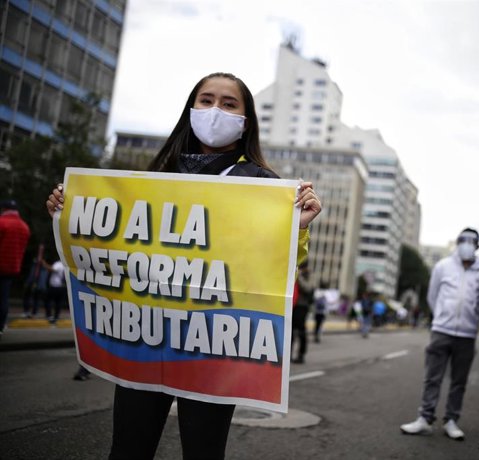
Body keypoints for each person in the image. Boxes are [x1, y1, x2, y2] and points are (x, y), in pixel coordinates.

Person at [46, 72, 321, 460]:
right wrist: (67, 211)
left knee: (203, 452)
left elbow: (273, 270)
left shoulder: (263, 185)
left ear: (245, 122)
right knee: (127, 448)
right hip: (147, 336)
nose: (214, 111)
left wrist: (298, 228)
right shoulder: (154, 179)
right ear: (191, 109)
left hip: (212, 345)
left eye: (228, 104)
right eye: (206, 100)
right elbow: (109, 250)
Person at [401, 228, 479, 440]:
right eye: (463, 240)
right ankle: (425, 418)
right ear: (457, 243)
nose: (467, 244)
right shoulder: (443, 266)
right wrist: (441, 316)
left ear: (478, 246)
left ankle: (451, 420)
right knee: (433, 377)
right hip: (442, 330)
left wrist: (474, 319)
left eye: (472, 241)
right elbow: (433, 296)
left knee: (459, 381)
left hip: (467, 334)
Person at [0, 199, 31, 334]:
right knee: (3, 298)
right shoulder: (24, 227)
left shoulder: (2, 223)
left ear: (4, 209)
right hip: (12, 268)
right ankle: (0, 327)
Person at [292, 263, 313, 364]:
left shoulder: (308, 276)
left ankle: (301, 355)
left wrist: (298, 276)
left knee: (301, 332)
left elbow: (307, 288)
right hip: (293, 306)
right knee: (290, 332)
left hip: (302, 307)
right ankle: (289, 354)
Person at [22, 244, 49, 319]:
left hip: (39, 285)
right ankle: (26, 311)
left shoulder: (44, 266)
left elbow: (48, 269)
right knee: (27, 296)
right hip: (31, 282)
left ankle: (34, 312)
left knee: (36, 298)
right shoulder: (34, 264)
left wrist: (42, 262)